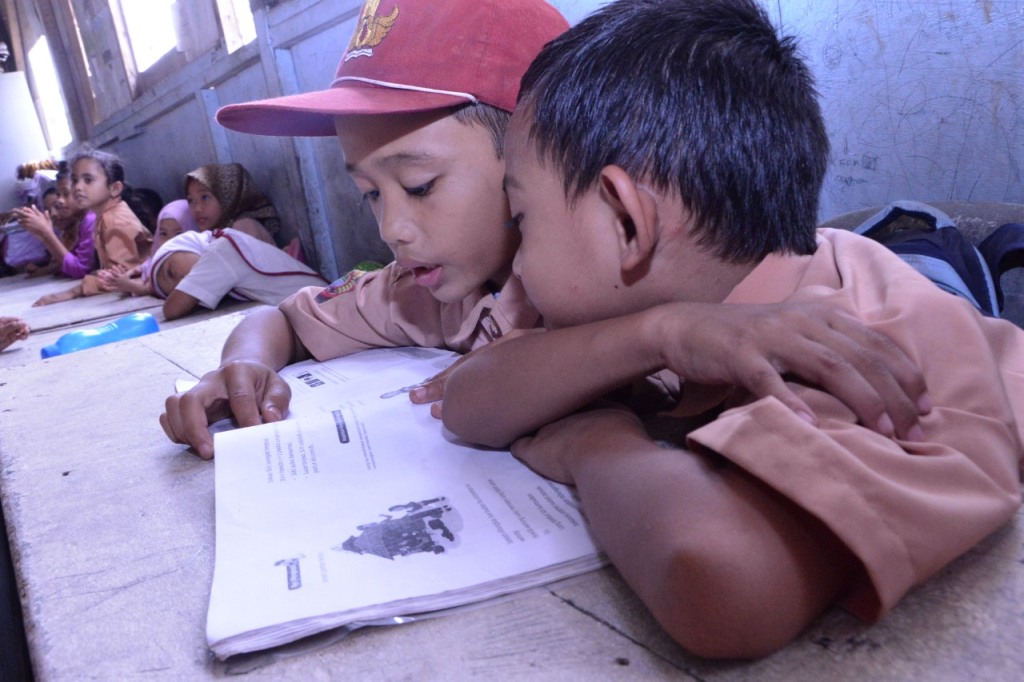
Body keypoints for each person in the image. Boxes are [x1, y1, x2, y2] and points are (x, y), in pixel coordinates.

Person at [440, 0, 1024, 659]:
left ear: (628, 224)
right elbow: (468, 405)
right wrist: (660, 333)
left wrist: (595, 444)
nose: (515, 262)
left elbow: (723, 590)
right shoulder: (672, 307)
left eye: (522, 219)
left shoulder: (845, 344)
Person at [159, 0, 928, 462]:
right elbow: (283, 317)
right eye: (368, 196)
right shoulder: (429, 290)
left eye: (420, 185)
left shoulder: (615, 286)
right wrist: (241, 366)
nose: (394, 228)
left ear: (531, 154)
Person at [31, 149, 152, 306]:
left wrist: (74, 291)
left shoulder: (115, 221)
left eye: (88, 180)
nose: (78, 187)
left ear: (114, 188)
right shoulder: (104, 217)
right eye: (74, 180)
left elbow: (122, 278)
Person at [148, 226, 328, 319]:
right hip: (317, 305)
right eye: (173, 289)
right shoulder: (221, 244)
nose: (180, 283)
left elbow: (172, 310)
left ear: (185, 245)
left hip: (322, 310)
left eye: (170, 272)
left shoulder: (220, 252)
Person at [97, 199, 198, 297]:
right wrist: (126, 275)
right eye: (163, 233)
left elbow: (153, 289)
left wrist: (129, 285)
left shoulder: (187, 265)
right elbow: (144, 267)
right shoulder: (156, 258)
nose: (170, 240)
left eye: (178, 234)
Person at [13, 163, 97, 279]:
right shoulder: (83, 222)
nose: (60, 201)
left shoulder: (91, 220)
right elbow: (63, 266)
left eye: (66, 194)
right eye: (59, 195)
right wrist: (43, 235)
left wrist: (47, 234)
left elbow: (79, 270)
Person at [184, 163, 279, 245]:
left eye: (205, 197)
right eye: (191, 200)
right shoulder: (214, 234)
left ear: (228, 196)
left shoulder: (243, 227)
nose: (197, 209)